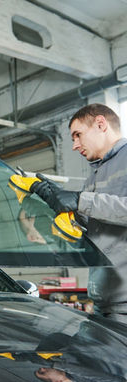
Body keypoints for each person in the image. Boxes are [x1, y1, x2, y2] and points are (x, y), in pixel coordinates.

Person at [31, 103, 127, 323]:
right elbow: (89, 236)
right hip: (106, 304)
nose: (74, 145)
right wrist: (53, 204)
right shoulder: (94, 175)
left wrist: (79, 200)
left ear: (101, 124)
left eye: (78, 135)